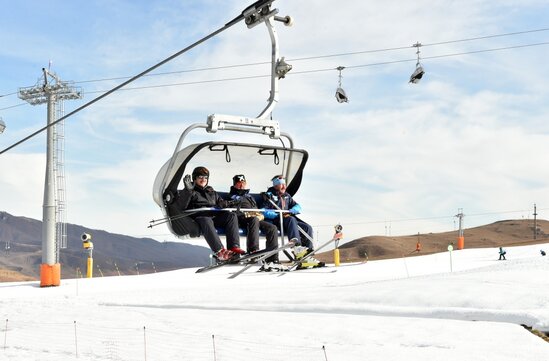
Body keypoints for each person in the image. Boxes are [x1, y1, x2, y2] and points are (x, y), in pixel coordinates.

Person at [174, 166, 244, 261]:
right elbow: (181, 206)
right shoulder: (190, 190)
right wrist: (188, 191)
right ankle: (220, 251)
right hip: (200, 218)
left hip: (213, 217)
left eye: (205, 177)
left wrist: (227, 203)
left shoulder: (211, 191)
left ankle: (234, 247)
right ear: (195, 178)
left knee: (231, 216)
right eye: (200, 177)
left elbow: (220, 202)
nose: (203, 179)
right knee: (205, 219)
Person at [263, 175, 320, 266]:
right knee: (291, 219)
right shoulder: (268, 196)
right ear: (275, 186)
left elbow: (298, 206)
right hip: (277, 221)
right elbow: (264, 211)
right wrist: (279, 214)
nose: (284, 187)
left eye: (284, 184)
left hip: (289, 220)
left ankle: (307, 255)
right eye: (281, 185)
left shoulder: (287, 196)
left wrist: (291, 211)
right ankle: (297, 248)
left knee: (307, 228)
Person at [228, 174, 279, 262]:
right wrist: (252, 215)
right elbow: (235, 209)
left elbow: (257, 209)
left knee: (272, 228)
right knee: (254, 219)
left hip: (254, 218)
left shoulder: (249, 196)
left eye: (243, 183)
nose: (241, 185)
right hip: (242, 218)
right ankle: (253, 250)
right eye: (239, 183)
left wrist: (260, 214)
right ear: (234, 184)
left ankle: (272, 257)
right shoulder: (233, 195)